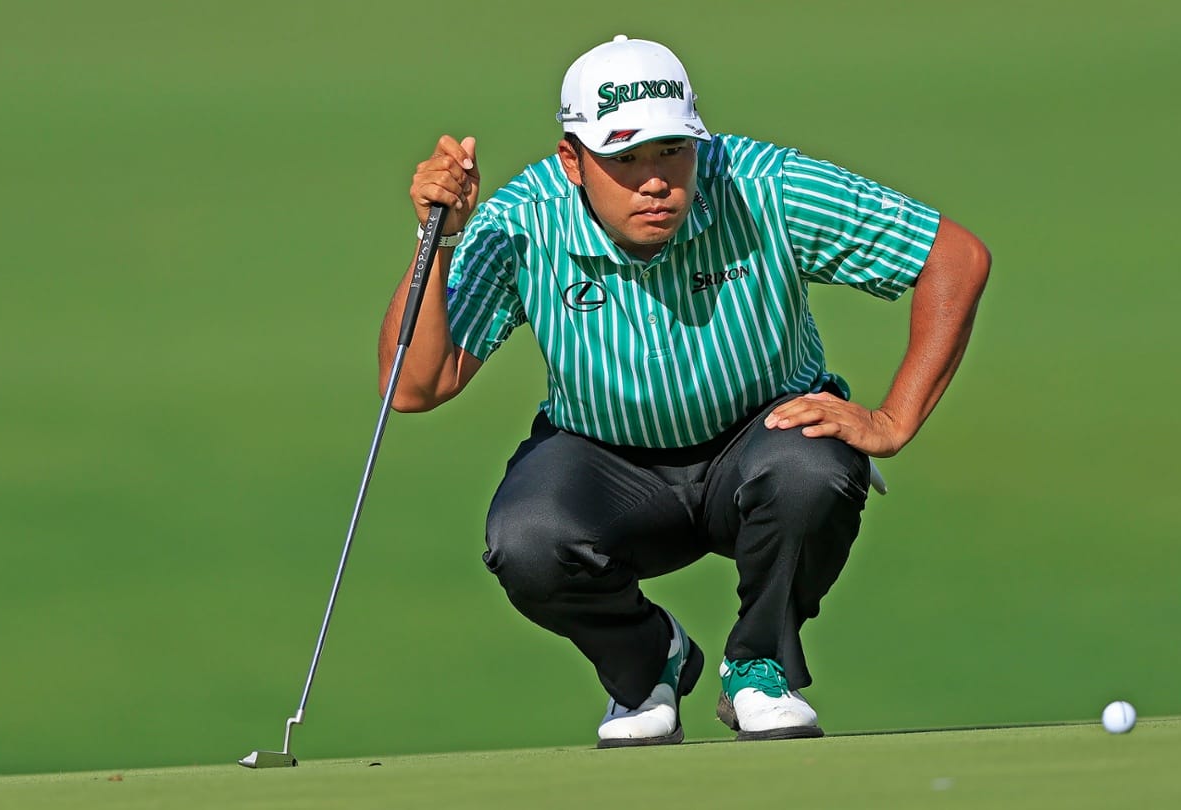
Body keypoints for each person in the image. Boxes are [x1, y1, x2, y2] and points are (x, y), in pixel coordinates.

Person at [378, 35, 990, 747]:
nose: (654, 180)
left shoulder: (762, 183)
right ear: (572, 160)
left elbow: (952, 255)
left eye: (671, 151)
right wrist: (438, 238)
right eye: (624, 158)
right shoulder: (523, 217)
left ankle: (758, 664)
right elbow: (418, 383)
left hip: (759, 440)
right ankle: (647, 663)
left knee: (813, 468)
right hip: (604, 462)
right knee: (528, 539)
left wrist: (893, 418)